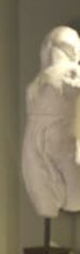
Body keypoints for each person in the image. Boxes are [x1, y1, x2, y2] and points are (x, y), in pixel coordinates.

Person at [21, 25, 80, 218]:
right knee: (57, 197)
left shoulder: (67, 75)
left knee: (59, 198)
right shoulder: (47, 78)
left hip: (47, 138)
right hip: (45, 137)